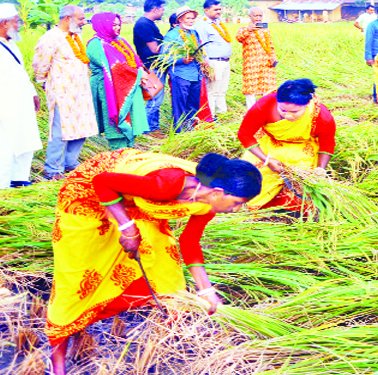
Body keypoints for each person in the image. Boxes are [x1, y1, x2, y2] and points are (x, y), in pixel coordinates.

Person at [45, 149, 261, 375]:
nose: (236, 210)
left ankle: (171, 332)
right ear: (218, 192)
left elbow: (189, 242)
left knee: (163, 265)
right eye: (237, 203)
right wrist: (127, 227)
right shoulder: (163, 186)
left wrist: (206, 291)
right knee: (77, 283)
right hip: (87, 197)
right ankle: (57, 361)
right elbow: (102, 182)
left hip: (134, 200)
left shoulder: (207, 203)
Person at [237, 79, 336, 214]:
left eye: (295, 112)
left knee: (303, 180)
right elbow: (245, 134)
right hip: (268, 144)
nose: (288, 115)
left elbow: (327, 143)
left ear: (307, 105)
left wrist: (319, 170)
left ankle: (291, 208)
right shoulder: (264, 106)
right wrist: (267, 160)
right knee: (254, 173)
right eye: (282, 110)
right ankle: (257, 206)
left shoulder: (321, 116)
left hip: (302, 148)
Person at [0, 4, 42, 189]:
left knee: (25, 144)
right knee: (2, 150)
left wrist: (32, 93)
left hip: (20, 106)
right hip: (0, 110)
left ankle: (19, 181)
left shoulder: (11, 43)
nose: (19, 25)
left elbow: (19, 72)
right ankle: (0, 189)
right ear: (5, 23)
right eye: (16, 21)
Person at [33, 5, 97, 181]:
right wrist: (46, 84)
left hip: (81, 92)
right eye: (80, 19)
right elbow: (40, 66)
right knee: (61, 131)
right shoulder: (50, 38)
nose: (84, 22)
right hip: (62, 93)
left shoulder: (76, 36)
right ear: (68, 18)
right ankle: (53, 170)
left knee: (81, 128)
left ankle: (70, 163)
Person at [87, 13, 149, 149]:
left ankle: (128, 151)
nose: (117, 28)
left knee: (130, 120)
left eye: (118, 25)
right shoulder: (95, 44)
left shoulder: (118, 40)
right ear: (103, 26)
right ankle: (118, 154)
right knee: (115, 125)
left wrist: (140, 71)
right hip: (108, 89)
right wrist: (138, 74)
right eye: (113, 25)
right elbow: (114, 67)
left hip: (126, 86)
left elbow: (133, 60)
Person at [162, 6, 212, 133]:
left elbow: (199, 50)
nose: (191, 21)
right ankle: (179, 133)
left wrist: (203, 60)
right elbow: (164, 58)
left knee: (193, 105)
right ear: (180, 20)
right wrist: (182, 60)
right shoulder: (171, 35)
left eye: (193, 18)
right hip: (181, 75)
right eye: (188, 18)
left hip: (196, 74)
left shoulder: (193, 33)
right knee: (180, 106)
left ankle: (190, 129)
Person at [133, 0, 167, 135]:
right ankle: (146, 130)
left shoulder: (149, 23)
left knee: (156, 98)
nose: (163, 12)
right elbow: (155, 49)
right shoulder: (144, 24)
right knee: (155, 99)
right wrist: (173, 47)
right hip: (152, 66)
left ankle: (153, 127)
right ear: (155, 9)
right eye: (162, 9)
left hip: (156, 66)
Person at [195, 0, 233, 117]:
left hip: (225, 62)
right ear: (206, 10)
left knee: (222, 90)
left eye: (219, 9)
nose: (218, 12)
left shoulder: (218, 23)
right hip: (214, 62)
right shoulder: (202, 25)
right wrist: (206, 63)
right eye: (215, 9)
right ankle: (210, 117)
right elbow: (201, 46)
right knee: (212, 91)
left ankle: (222, 114)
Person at [237, 7, 278, 110]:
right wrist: (249, 30)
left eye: (260, 15)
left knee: (268, 87)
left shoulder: (265, 30)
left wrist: (273, 57)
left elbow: (270, 46)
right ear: (250, 16)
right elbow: (239, 38)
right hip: (251, 64)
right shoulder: (243, 29)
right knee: (251, 88)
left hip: (266, 63)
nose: (258, 18)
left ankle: (267, 110)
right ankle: (251, 111)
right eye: (255, 15)